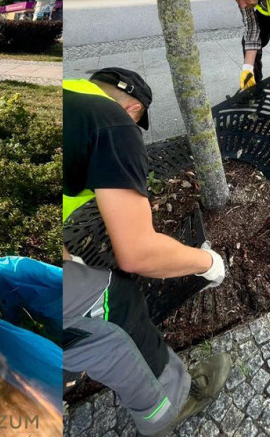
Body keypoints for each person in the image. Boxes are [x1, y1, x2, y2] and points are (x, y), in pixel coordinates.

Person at [63, 68, 231, 436]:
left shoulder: (68, 95)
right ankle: (170, 404)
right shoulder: (116, 124)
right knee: (115, 302)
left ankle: (61, 368)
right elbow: (137, 256)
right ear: (134, 108)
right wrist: (208, 262)